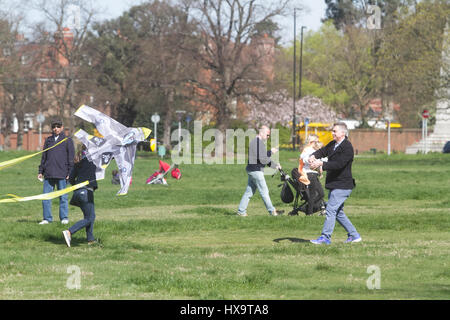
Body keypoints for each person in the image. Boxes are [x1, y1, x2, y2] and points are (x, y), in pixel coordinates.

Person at [308, 122, 361, 244]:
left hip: (343, 185)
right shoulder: (333, 144)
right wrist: (313, 156)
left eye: (334, 131)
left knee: (330, 210)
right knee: (338, 212)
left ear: (343, 133)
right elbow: (322, 151)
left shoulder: (347, 147)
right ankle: (354, 235)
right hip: (334, 184)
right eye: (332, 131)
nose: (332, 133)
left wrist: (321, 164)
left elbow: (339, 164)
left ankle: (325, 237)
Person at [237, 125, 283, 216]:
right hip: (256, 171)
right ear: (261, 133)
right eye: (267, 134)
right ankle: (272, 211)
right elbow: (263, 159)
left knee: (249, 192)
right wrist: (275, 166)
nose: (268, 137)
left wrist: (270, 152)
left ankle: (241, 211)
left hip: (252, 170)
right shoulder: (257, 143)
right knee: (264, 192)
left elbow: (262, 156)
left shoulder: (256, 142)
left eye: (269, 135)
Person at [38, 119, 75, 225]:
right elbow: (44, 157)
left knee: (63, 197)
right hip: (49, 173)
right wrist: (41, 171)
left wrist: (70, 172)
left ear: (62, 127)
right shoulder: (48, 140)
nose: (56, 129)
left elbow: (71, 158)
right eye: (54, 127)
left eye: (58, 126)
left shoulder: (67, 140)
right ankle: (47, 218)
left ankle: (64, 217)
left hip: (62, 173)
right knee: (46, 197)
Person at [62, 145, 98, 247]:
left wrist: (78, 187)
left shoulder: (78, 162)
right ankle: (69, 232)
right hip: (86, 192)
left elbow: (71, 179)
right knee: (90, 218)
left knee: (89, 216)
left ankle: (90, 239)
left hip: (78, 192)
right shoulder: (93, 160)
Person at [299, 134, 326, 215]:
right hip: (309, 174)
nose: (318, 143)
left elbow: (323, 159)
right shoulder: (307, 149)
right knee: (313, 194)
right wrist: (310, 160)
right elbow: (303, 158)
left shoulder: (314, 150)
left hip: (314, 174)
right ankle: (309, 212)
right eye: (316, 141)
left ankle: (307, 208)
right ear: (312, 142)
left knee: (321, 194)